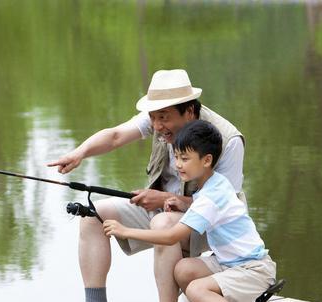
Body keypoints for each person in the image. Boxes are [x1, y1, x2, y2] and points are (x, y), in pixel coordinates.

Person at [47, 69, 246, 302]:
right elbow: (115, 136)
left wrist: (163, 200)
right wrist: (79, 153)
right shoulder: (158, 119)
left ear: (189, 111)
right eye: (153, 117)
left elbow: (224, 205)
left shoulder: (228, 140)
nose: (157, 125)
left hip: (210, 224)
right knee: (93, 215)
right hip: (164, 212)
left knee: (161, 222)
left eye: (163, 117)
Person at [103, 120, 276, 302]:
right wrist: (186, 205)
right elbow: (207, 207)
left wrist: (124, 231)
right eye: (176, 157)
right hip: (228, 263)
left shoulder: (210, 196)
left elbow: (170, 237)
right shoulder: (213, 183)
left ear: (207, 160)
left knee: (196, 290)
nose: (178, 164)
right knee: (183, 270)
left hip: (253, 270)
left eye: (185, 159)